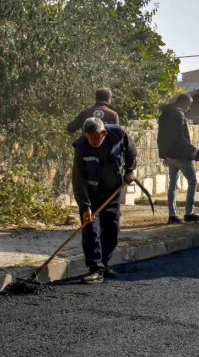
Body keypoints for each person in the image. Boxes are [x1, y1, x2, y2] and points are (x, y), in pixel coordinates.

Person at [71, 117, 136, 284]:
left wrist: (130, 170)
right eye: (88, 138)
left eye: (94, 138)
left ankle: (104, 264)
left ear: (103, 133)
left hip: (113, 191)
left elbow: (131, 150)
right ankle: (95, 269)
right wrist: (85, 207)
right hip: (92, 196)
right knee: (91, 230)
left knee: (111, 229)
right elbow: (79, 179)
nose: (91, 141)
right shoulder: (81, 148)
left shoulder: (117, 134)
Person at [158, 93, 199, 224]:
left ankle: (172, 215)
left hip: (169, 155)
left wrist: (164, 154)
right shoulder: (178, 114)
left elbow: (162, 137)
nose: (189, 107)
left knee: (172, 184)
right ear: (183, 102)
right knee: (192, 181)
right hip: (181, 155)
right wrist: (192, 149)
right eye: (189, 104)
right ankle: (189, 213)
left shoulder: (165, 114)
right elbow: (179, 137)